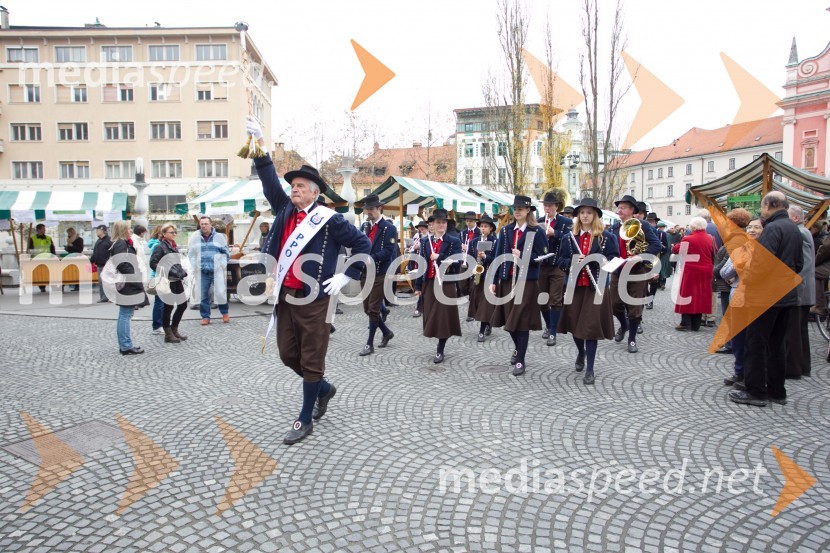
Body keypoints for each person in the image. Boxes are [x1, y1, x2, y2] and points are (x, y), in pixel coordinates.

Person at [248, 116, 371, 445]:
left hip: (315, 298)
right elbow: (268, 182)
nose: (294, 189)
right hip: (287, 297)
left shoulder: (329, 220)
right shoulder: (285, 209)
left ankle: (304, 420)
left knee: (312, 357)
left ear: (314, 193)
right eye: (293, 186)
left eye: (300, 186)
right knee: (288, 355)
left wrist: (348, 274)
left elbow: (363, 245)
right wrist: (259, 148)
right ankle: (324, 388)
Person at [729, 191, 803, 407]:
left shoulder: (772, 228)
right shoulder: (794, 228)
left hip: (766, 297)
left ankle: (756, 391)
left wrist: (748, 282)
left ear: (769, 204)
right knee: (777, 344)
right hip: (786, 296)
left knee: (756, 344)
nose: (761, 211)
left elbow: (761, 264)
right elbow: (799, 265)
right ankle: (777, 391)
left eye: (762, 207)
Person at [557, 198, 619, 384]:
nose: (585, 216)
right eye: (582, 212)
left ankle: (590, 369)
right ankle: (581, 352)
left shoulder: (607, 237)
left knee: (590, 328)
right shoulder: (569, 238)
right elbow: (560, 261)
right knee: (576, 326)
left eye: (589, 213)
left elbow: (614, 259)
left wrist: (597, 260)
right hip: (575, 287)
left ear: (595, 216)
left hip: (596, 287)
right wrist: (571, 262)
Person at [490, 196, 548, 376]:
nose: (517, 211)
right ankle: (517, 349)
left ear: (528, 210)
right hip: (507, 281)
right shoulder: (506, 231)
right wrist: (493, 279)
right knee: (509, 321)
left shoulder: (536, 231)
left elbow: (543, 257)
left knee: (520, 321)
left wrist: (523, 255)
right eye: (515, 208)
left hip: (527, 283)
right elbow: (498, 255)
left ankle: (521, 361)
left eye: (521, 208)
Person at [609, 195, 662, 353]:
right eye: (619, 208)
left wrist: (641, 256)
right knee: (614, 304)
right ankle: (624, 326)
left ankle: (631, 339)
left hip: (638, 271)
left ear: (632, 210)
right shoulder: (614, 228)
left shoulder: (642, 225)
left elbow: (656, 244)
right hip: (619, 271)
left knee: (635, 308)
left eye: (623, 208)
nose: (620, 210)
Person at [414, 209, 462, 363]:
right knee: (430, 314)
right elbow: (421, 264)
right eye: (438, 222)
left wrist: (440, 257)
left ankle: (440, 349)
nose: (441, 225)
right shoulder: (425, 241)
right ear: (432, 225)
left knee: (441, 315)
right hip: (429, 282)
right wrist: (418, 286)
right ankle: (439, 341)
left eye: (443, 222)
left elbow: (458, 261)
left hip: (445, 283)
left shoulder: (454, 241)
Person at [720, 218, 764, 388]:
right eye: (750, 227)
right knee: (738, 337)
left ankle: (752, 375)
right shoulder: (741, 250)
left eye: (757, 227)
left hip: (758, 299)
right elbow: (724, 272)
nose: (752, 230)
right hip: (738, 297)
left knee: (755, 339)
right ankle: (739, 372)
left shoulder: (768, 249)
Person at [357, 194, 396, 356]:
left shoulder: (389, 228)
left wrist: (371, 258)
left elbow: (389, 251)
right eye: (366, 209)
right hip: (366, 272)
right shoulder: (365, 226)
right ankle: (386, 332)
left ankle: (369, 343)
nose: (368, 212)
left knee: (373, 309)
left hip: (381, 272)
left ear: (380, 208)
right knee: (367, 309)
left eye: (371, 208)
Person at [711, 208, 752, 354]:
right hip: (729, 281)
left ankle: (731, 344)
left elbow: (732, 260)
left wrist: (717, 270)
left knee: (729, 315)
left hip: (728, 282)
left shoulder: (736, 238)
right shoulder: (741, 236)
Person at [538, 189, 572, 346]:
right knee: (541, 299)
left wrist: (555, 233)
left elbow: (569, 241)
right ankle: (549, 325)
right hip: (542, 265)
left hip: (557, 265)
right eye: (545, 205)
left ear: (556, 207)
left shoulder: (565, 223)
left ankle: (553, 332)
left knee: (556, 299)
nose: (547, 209)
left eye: (550, 206)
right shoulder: (539, 221)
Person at [786, 206, 815, 379]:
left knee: (794, 331)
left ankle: (795, 368)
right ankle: (803, 366)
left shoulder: (801, 233)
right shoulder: (803, 232)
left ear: (796, 218)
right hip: (802, 290)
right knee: (800, 331)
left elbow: (803, 265)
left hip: (799, 291)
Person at [671, 216, 714, 331]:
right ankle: (696, 324)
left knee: (687, 295)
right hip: (706, 270)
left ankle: (685, 323)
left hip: (691, 270)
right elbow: (714, 253)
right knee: (701, 296)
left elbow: (676, 250)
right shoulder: (711, 238)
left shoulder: (688, 239)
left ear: (693, 227)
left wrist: (674, 246)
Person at [109, 220, 145, 355]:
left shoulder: (122, 243)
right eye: (129, 229)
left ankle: (126, 344)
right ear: (123, 230)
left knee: (127, 314)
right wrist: (133, 275)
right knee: (125, 314)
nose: (131, 231)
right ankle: (125, 345)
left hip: (128, 282)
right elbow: (122, 263)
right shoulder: (120, 244)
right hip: (127, 283)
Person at [150, 223, 189, 344]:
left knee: (182, 305)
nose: (174, 234)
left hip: (176, 279)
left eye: (175, 232)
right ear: (164, 234)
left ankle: (174, 329)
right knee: (168, 306)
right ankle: (168, 334)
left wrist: (181, 271)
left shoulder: (173, 246)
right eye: (172, 232)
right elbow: (153, 263)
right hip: (167, 280)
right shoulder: (160, 247)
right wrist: (167, 271)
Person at [189, 216, 231, 325]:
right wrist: (195, 266)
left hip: (217, 270)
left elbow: (226, 253)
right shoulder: (195, 238)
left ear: (211, 225)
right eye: (202, 224)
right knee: (203, 295)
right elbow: (191, 254)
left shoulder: (219, 237)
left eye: (206, 223)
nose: (204, 226)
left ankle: (225, 313)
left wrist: (222, 265)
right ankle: (205, 317)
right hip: (202, 271)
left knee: (220, 293)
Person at [470, 214, 498, 341]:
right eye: (481, 226)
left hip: (489, 275)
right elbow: (470, 257)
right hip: (477, 275)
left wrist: (486, 257)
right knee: (476, 300)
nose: (483, 228)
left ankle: (481, 330)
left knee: (485, 303)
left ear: (491, 228)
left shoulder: (495, 242)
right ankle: (489, 322)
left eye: (485, 226)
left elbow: (497, 260)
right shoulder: (474, 242)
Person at [644, 213, 667, 309]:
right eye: (648, 221)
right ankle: (647, 296)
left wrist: (660, 248)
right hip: (644, 258)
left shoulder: (662, 233)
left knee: (654, 281)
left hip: (655, 258)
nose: (650, 223)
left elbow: (666, 247)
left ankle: (650, 300)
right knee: (642, 280)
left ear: (655, 223)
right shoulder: (642, 229)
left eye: (652, 221)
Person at [458, 211, 481, 303]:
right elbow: (458, 244)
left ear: (475, 221)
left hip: (475, 259)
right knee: (462, 283)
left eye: (471, 221)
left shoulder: (479, 232)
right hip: (465, 259)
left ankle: (472, 298)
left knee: (473, 281)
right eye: (467, 221)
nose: (468, 223)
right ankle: (468, 294)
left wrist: (471, 247)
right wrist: (461, 246)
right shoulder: (462, 233)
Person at [147, 225, 165, 335]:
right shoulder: (157, 246)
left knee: (162, 302)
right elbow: (153, 263)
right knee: (160, 302)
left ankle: (160, 324)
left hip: (161, 276)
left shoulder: (158, 245)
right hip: (158, 276)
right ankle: (157, 325)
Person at [410, 219, 429, 318]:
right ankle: (419, 307)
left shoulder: (429, 238)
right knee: (419, 286)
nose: (422, 231)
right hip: (417, 262)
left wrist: (420, 246)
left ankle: (419, 308)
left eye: (423, 229)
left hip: (427, 265)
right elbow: (413, 248)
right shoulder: (417, 236)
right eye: (420, 230)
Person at [90, 224, 112, 303]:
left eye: (97, 230)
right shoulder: (98, 241)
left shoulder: (109, 240)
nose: (96, 232)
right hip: (99, 265)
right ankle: (103, 297)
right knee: (101, 282)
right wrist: (91, 261)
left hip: (107, 265)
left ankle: (110, 297)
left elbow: (112, 252)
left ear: (102, 231)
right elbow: (95, 252)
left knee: (108, 282)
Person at [64, 227, 84, 292]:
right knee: (69, 271)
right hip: (70, 257)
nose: (68, 234)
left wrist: (71, 245)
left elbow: (80, 249)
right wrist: (67, 247)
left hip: (77, 257)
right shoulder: (69, 240)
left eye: (69, 233)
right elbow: (68, 249)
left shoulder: (79, 239)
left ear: (72, 232)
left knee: (76, 271)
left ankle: (77, 286)